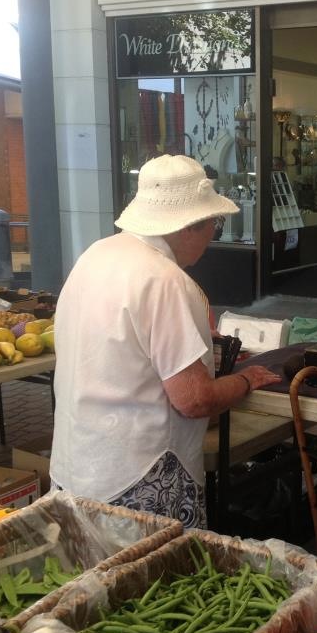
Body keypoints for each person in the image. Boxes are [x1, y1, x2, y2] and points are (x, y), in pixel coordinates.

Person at [50, 155, 281, 528]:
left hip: (75, 467)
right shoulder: (166, 280)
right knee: (155, 581)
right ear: (189, 225)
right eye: (213, 224)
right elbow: (194, 400)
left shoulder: (95, 255)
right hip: (140, 478)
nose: (213, 235)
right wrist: (246, 380)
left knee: (90, 578)